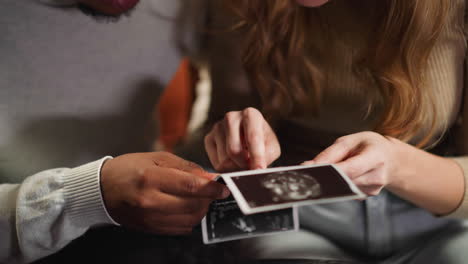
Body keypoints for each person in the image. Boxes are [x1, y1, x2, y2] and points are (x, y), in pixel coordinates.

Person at [196, 0, 468, 262]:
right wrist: (232, 140)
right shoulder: (246, 5)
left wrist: (397, 166)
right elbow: (221, 119)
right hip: (300, 218)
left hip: (439, 218)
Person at [0, 0, 229, 263]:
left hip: (145, 236)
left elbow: (221, 119)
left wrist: (225, 145)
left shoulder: (190, 7)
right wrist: (83, 198)